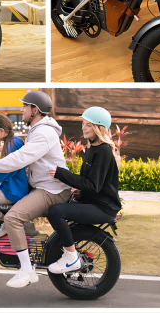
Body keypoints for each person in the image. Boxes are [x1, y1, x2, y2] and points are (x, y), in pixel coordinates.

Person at [0, 91, 71, 288]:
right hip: (45, 187)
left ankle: (27, 270)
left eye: (24, 106)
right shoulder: (38, 130)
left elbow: (20, 158)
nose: (21, 110)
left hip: (52, 190)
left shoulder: (43, 133)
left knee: (13, 217)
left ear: (35, 110)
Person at [45, 107, 122, 274]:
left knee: (55, 212)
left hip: (103, 207)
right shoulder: (93, 148)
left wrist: (61, 174)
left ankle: (71, 257)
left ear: (98, 128)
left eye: (88, 125)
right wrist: (80, 193)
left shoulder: (103, 151)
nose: (83, 128)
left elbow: (92, 185)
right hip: (95, 202)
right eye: (83, 123)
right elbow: (93, 185)